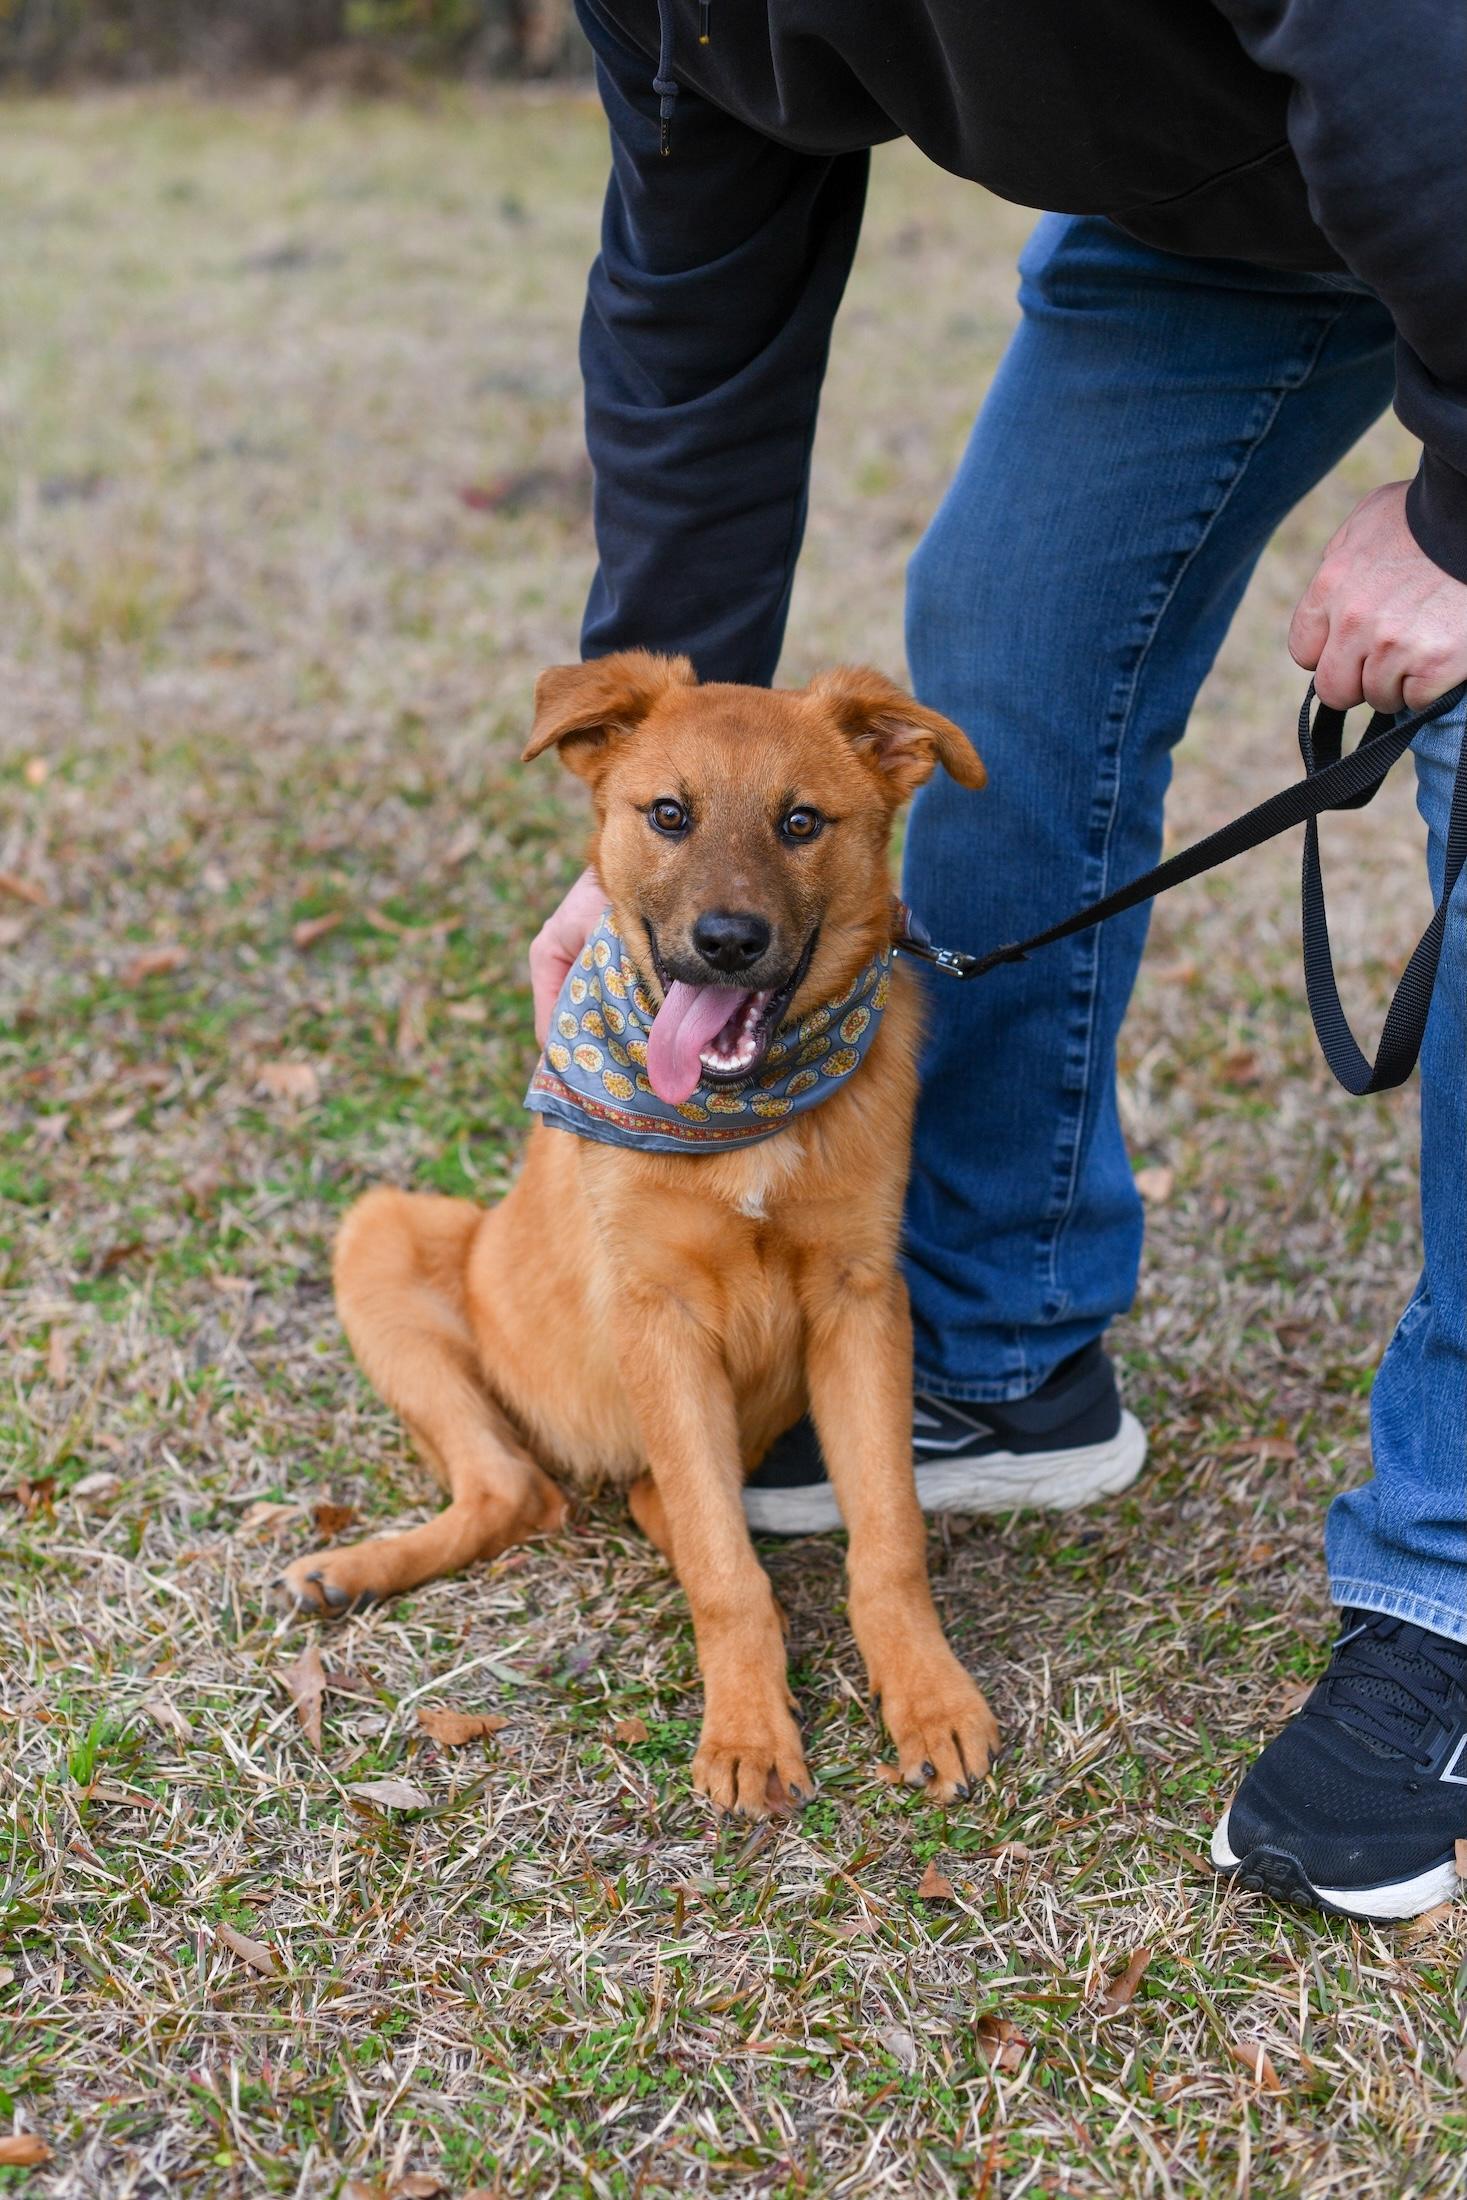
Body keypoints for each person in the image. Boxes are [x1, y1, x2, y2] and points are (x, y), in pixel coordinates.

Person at [527, 0, 1467, 1920]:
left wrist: (1464, 514)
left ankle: (1451, 1578)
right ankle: (1011, 1346)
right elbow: (699, 308)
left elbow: (1419, 65)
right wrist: (655, 805)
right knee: (1011, 665)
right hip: (1217, 214)